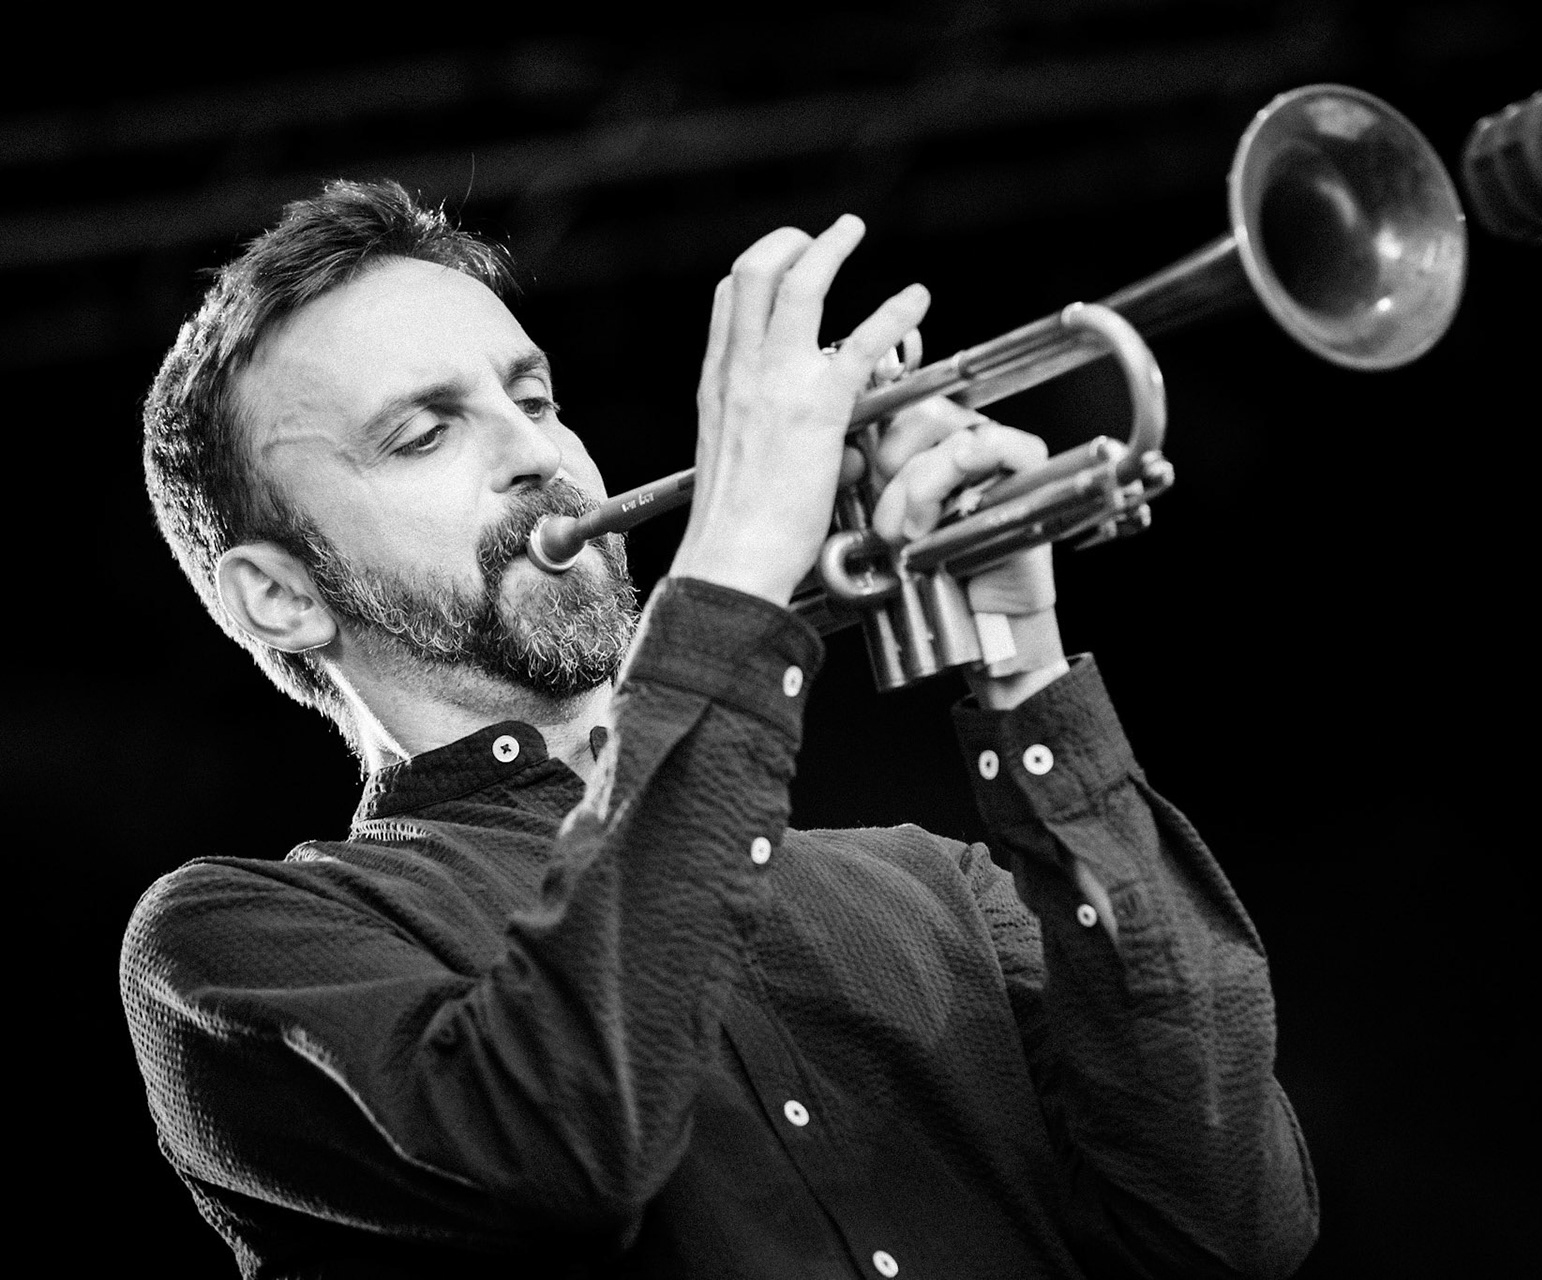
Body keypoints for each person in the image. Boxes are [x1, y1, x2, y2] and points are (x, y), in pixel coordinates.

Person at [121, 178, 1318, 1279]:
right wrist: (739, 555)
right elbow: (568, 1138)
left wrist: (1021, 654)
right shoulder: (228, 945)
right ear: (279, 593)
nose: (537, 454)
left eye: (533, 399)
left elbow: (1233, 1225)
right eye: (424, 434)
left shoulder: (940, 887)